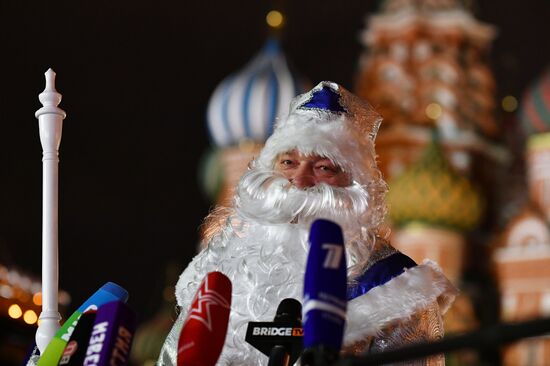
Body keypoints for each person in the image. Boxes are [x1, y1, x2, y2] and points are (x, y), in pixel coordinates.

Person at [158, 81, 457, 365]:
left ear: (356, 185)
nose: (299, 181)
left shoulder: (394, 286)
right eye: (288, 163)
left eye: (323, 167)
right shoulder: (223, 271)